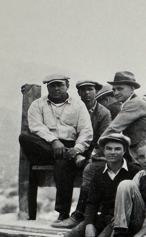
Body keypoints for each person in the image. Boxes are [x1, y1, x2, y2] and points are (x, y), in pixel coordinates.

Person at [18, 73, 93, 223]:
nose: (57, 88)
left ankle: (63, 213)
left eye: (60, 85)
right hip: (44, 146)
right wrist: (54, 141)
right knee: (25, 137)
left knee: (62, 162)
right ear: (48, 87)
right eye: (53, 85)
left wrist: (78, 149)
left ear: (67, 86)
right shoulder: (38, 104)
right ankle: (70, 156)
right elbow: (36, 126)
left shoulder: (78, 105)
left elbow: (86, 130)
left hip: (70, 146)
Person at [51, 78, 113, 229]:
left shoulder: (104, 113)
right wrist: (75, 152)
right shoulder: (73, 109)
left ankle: (81, 214)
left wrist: (89, 155)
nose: (87, 93)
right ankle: (62, 212)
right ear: (78, 92)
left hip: (93, 153)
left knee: (91, 169)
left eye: (90, 89)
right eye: (83, 90)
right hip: (74, 150)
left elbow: (102, 139)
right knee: (61, 165)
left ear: (96, 91)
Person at [101, 71, 146, 155]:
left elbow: (113, 128)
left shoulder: (135, 103)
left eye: (120, 89)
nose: (116, 93)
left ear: (132, 89)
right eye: (114, 89)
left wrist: (96, 150)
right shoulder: (129, 103)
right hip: (142, 152)